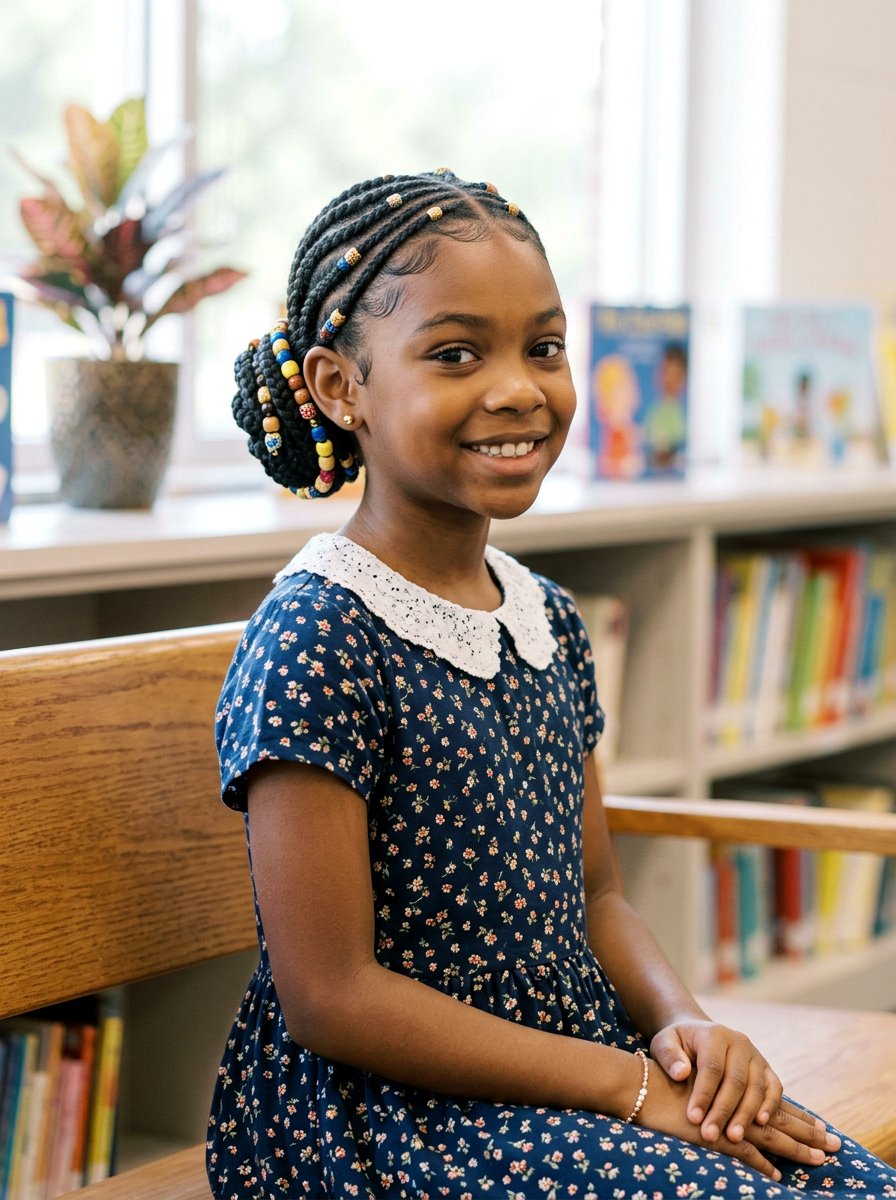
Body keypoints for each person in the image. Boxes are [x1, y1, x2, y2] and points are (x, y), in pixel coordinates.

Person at [207, 169, 895, 1200]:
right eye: (454, 354)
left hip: (566, 1061)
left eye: (543, 346)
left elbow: (598, 893)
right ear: (338, 386)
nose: (519, 387)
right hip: (381, 1117)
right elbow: (331, 998)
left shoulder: (546, 618)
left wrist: (682, 1025)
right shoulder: (317, 635)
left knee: (842, 1181)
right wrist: (624, 1085)